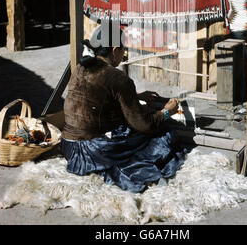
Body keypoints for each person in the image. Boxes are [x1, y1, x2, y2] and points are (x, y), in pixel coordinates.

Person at [61, 22, 187, 193]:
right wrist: (166, 112)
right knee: (164, 134)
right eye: (123, 49)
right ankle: (126, 171)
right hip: (93, 152)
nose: (124, 53)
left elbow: (99, 98)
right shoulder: (119, 78)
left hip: (68, 147)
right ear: (114, 50)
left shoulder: (80, 67)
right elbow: (143, 125)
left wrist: (136, 97)